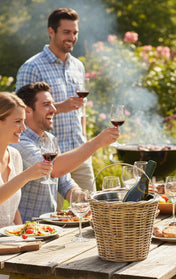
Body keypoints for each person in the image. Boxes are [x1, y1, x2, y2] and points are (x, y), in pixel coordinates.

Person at [16, 8, 93, 210]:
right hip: (48, 155)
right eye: (66, 32)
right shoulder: (32, 67)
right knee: (56, 216)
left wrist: (84, 138)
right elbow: (21, 110)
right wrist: (61, 107)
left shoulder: (78, 66)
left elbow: (81, 110)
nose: (72, 37)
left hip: (79, 150)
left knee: (90, 210)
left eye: (75, 32)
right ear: (52, 31)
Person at [13, 82, 119, 222]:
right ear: (28, 111)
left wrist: (81, 197)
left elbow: (64, 182)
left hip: (48, 226)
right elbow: (53, 169)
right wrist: (96, 142)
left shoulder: (49, 140)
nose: (53, 109)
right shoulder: (19, 142)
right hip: (25, 229)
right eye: (46, 105)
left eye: (52, 104)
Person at [0, 92, 70, 279]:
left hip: (10, 245)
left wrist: (24, 233)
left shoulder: (14, 155)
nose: (23, 128)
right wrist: (26, 176)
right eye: (17, 122)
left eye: (24, 121)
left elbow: (13, 209)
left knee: (62, 275)